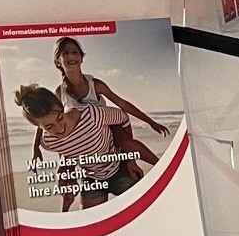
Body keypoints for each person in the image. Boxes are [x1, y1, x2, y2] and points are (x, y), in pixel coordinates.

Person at [14, 83, 145, 211]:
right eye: (49, 126)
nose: (59, 128)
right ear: (38, 126)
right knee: (89, 221)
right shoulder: (48, 142)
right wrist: (67, 177)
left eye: (60, 118)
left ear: (62, 107)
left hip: (120, 170)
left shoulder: (92, 115)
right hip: (91, 179)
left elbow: (124, 119)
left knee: (141, 210)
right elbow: (67, 152)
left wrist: (130, 160)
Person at [52, 37, 170, 143]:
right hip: (84, 134)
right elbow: (48, 118)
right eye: (65, 53)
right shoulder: (60, 93)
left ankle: (132, 158)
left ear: (81, 58)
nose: (71, 56)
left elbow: (122, 103)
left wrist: (151, 122)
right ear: (58, 61)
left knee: (126, 144)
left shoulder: (95, 85)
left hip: (106, 127)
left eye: (75, 52)